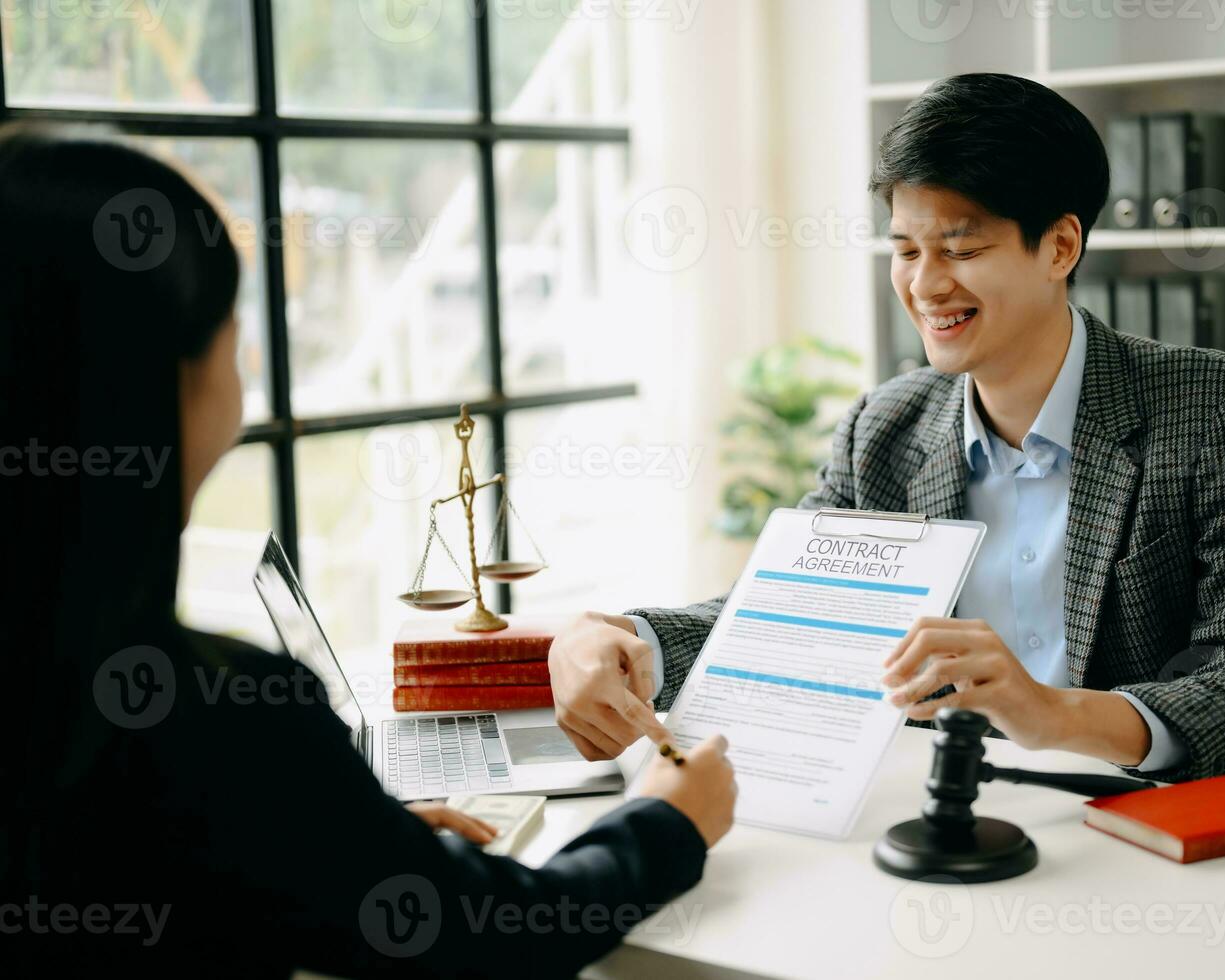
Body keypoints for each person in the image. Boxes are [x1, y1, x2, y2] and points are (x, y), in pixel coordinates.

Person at [0, 124, 736, 976]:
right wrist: (668, 821)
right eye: (232, 340)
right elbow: (493, 935)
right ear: (155, 383)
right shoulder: (216, 718)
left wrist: (336, 846)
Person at [549, 73, 1225, 784]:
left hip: (1140, 826)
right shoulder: (883, 428)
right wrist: (629, 643)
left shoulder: (1212, 411)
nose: (925, 285)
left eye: (959, 249)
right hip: (935, 808)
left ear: (1059, 246)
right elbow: (785, 615)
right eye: (905, 250)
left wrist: (1054, 714)